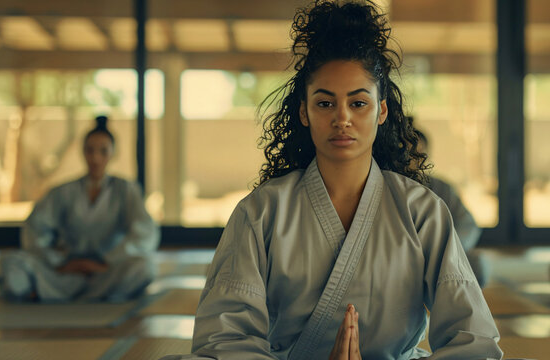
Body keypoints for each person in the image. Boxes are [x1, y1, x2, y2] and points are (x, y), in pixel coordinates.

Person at [162, 1, 502, 359]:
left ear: (381, 110)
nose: (342, 118)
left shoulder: (421, 210)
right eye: (325, 104)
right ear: (304, 112)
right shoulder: (262, 211)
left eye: (358, 104)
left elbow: (473, 339)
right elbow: (224, 339)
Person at [0, 115, 160, 303]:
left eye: (103, 151)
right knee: (9, 261)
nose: (95, 158)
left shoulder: (126, 190)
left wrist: (106, 262)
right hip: (65, 269)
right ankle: (91, 296)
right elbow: (36, 229)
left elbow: (145, 232)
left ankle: (52, 294)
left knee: (145, 268)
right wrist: (59, 262)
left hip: (105, 270)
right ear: (83, 152)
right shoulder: (63, 191)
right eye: (90, 151)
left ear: (113, 153)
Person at [415, 129, 490, 287]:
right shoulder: (389, 186)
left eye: (421, 155)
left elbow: (467, 224)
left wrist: (450, 249)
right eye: (410, 155)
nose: (415, 161)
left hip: (441, 255)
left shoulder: (441, 188)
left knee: (477, 264)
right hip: (407, 258)